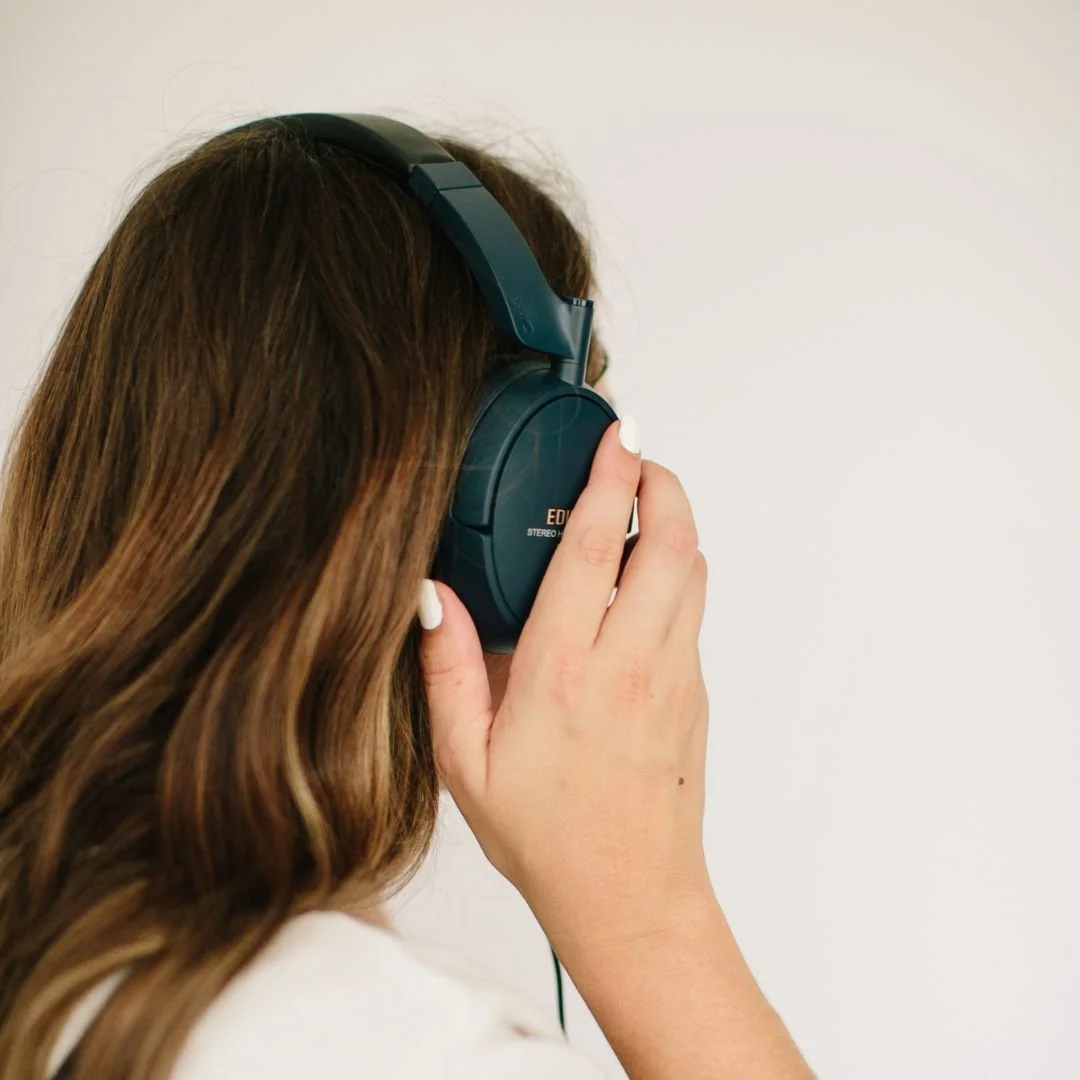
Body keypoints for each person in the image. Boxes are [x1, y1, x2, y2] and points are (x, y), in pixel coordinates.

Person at [0, 115, 815, 1080]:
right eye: (574, 455)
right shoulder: (408, 1051)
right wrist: (652, 918)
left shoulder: (63, 963)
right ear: (501, 507)